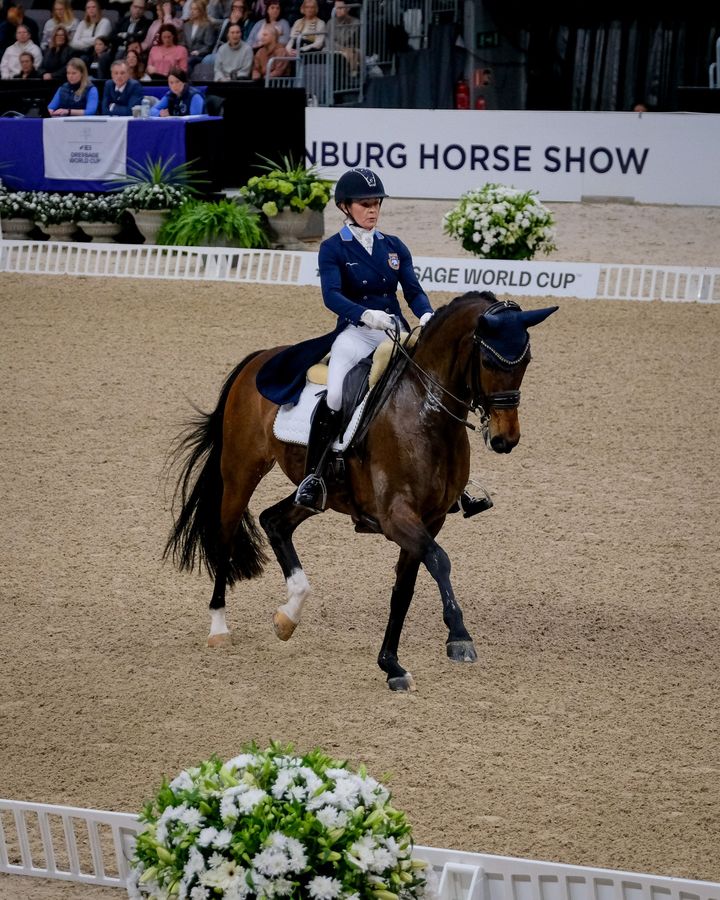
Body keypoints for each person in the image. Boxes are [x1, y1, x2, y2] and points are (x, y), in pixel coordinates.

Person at [283, 168, 493, 516]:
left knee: (433, 386)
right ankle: (315, 476)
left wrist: (427, 315)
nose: (373, 210)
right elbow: (331, 295)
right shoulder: (333, 248)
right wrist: (365, 315)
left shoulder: (393, 246)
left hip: (395, 331)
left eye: (376, 203)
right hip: (356, 334)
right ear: (345, 207)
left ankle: (456, 483)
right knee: (335, 394)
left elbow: (412, 290)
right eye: (365, 204)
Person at [325, 0, 359, 76]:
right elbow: (328, 41)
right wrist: (342, 48)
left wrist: (342, 48)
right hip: (333, 50)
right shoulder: (330, 22)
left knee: (352, 53)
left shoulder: (355, 22)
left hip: (349, 49)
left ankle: (352, 76)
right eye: (335, 8)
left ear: (348, 8)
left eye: (340, 8)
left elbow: (346, 39)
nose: (337, 11)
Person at [182, 0, 216, 71]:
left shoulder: (208, 25)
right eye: (191, 9)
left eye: (195, 9)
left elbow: (209, 45)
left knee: (190, 61)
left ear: (201, 11)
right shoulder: (186, 25)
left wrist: (198, 52)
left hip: (201, 55)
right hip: (188, 54)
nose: (192, 11)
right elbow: (183, 43)